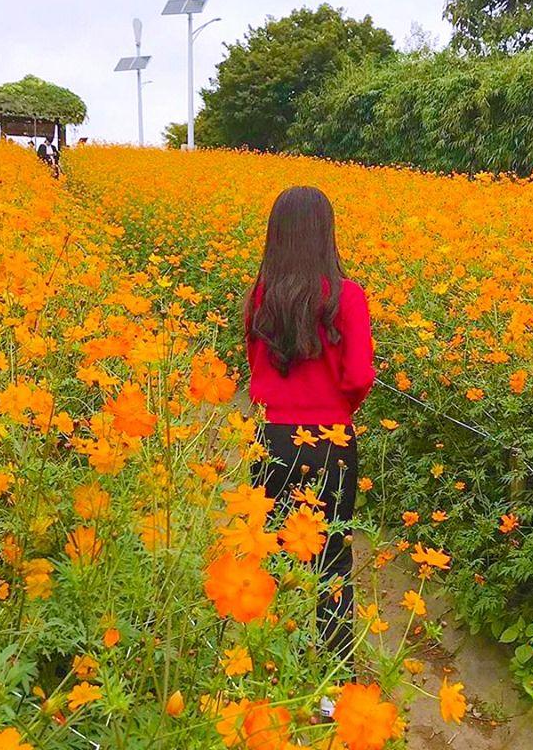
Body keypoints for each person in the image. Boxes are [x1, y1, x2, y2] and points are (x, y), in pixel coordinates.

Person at [244, 185, 375, 707]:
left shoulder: (261, 295)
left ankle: (272, 671)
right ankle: (331, 691)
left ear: (277, 235)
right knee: (332, 560)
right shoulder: (348, 297)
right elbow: (360, 376)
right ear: (326, 232)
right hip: (333, 442)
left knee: (272, 554)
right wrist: (335, 413)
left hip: (272, 439)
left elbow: (255, 373)